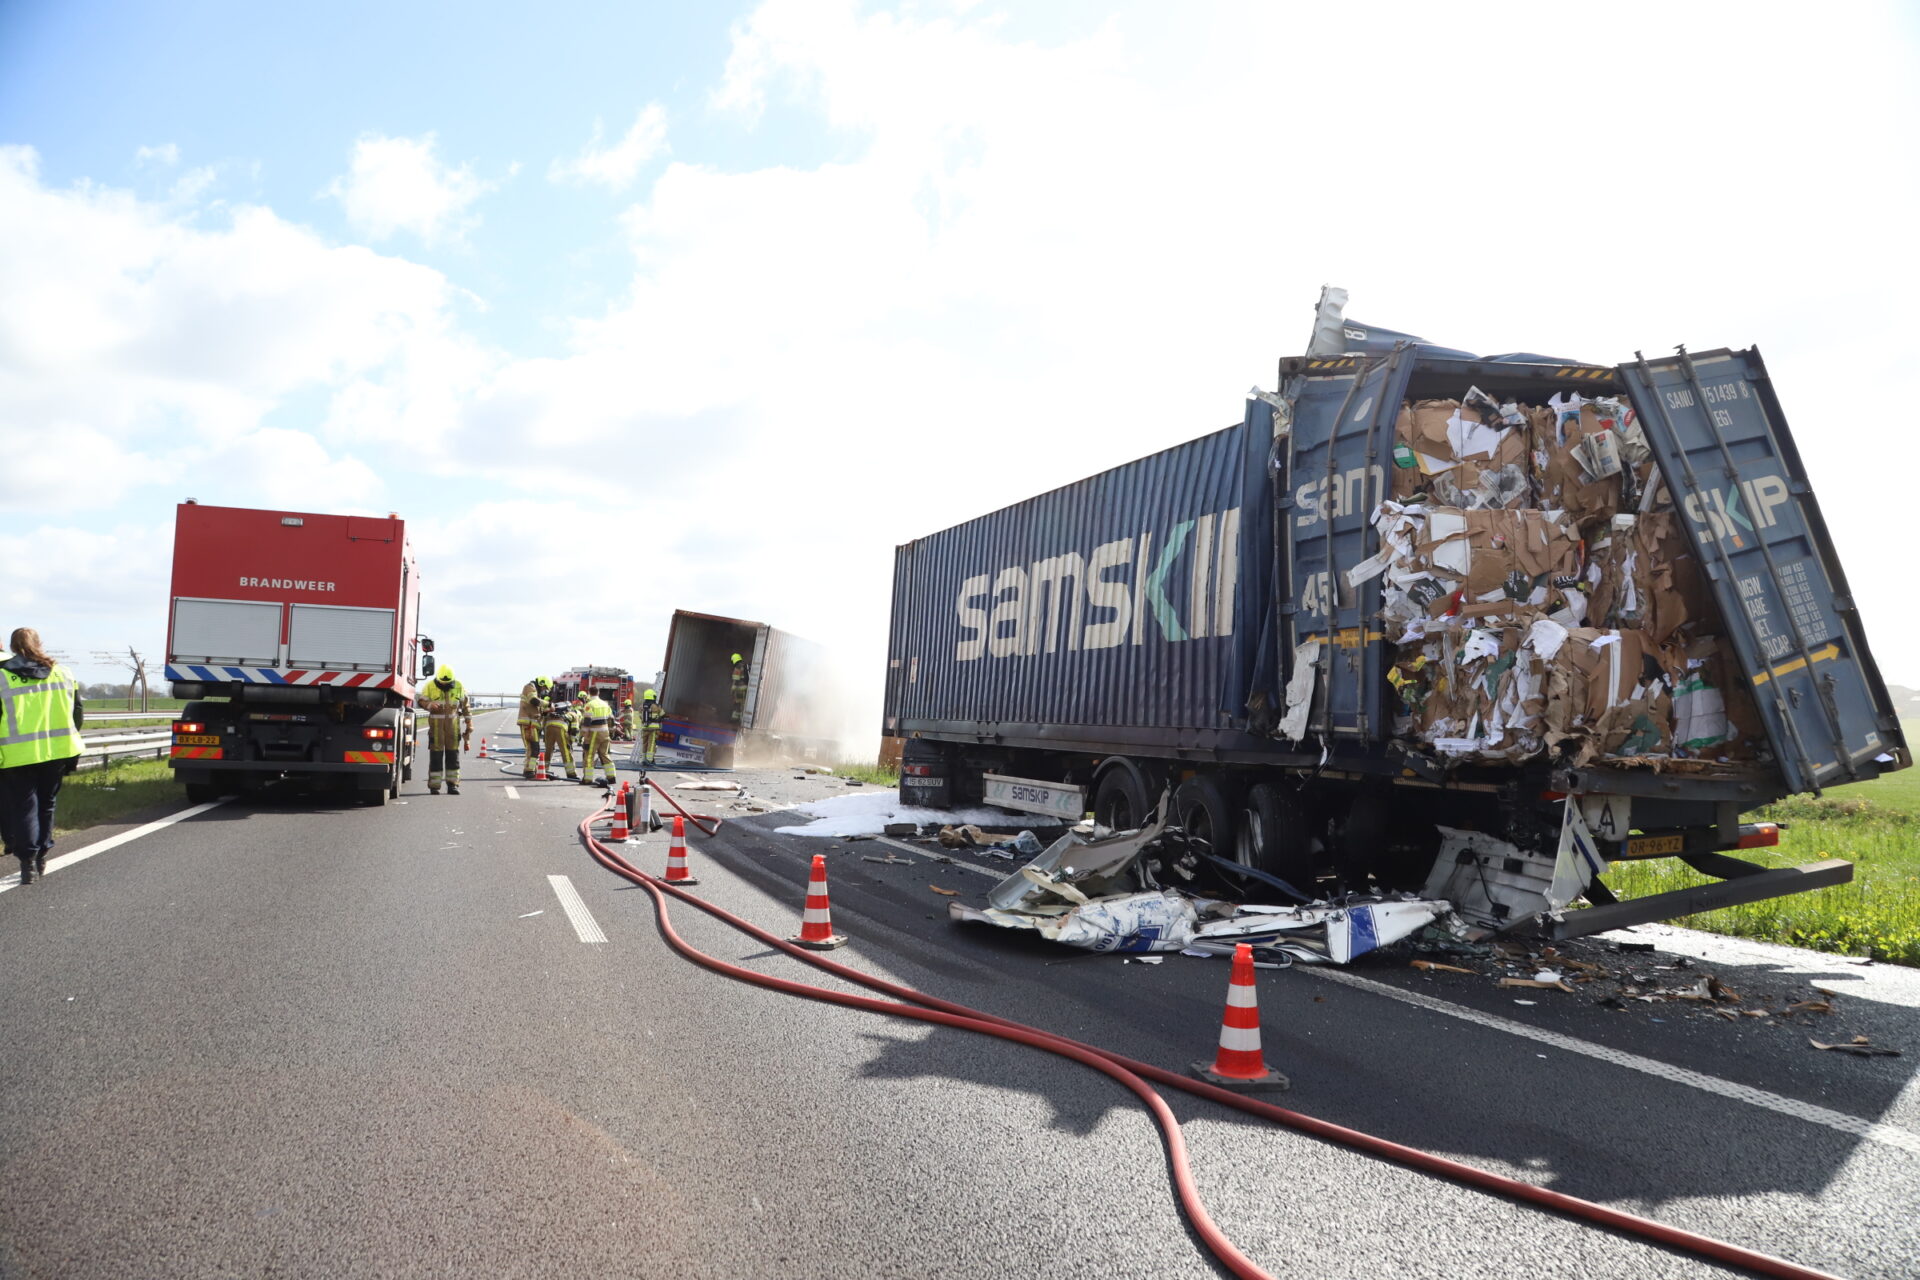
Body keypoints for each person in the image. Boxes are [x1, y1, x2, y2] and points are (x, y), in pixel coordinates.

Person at [1, 627, 84, 886]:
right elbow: (77, 713)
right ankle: (43, 854)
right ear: (40, 644)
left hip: (17, 754)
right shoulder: (63, 673)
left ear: (13, 648)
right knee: (47, 803)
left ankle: (27, 864)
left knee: (24, 807)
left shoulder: (3, 676)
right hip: (57, 752)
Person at [418, 666, 472, 794]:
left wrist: (469, 723)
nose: (444, 684)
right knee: (436, 759)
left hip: (453, 730)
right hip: (436, 731)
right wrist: (429, 704)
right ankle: (434, 787)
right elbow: (421, 700)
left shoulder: (459, 686)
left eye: (447, 683)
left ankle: (453, 785)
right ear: (438, 679)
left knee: (453, 758)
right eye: (442, 682)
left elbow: (466, 707)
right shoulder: (430, 686)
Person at [578, 690, 616, 786]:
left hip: (594, 733)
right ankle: (611, 777)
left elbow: (587, 721)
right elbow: (611, 719)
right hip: (605, 732)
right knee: (604, 754)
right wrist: (611, 731)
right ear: (598, 693)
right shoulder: (605, 704)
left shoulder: (589, 705)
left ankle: (587, 779)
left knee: (589, 755)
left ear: (589, 694)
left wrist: (583, 735)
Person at [517, 676, 551, 779]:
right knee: (532, 748)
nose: (544, 691)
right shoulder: (530, 687)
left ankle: (531, 769)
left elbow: (536, 708)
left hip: (532, 724)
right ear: (541, 683)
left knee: (534, 748)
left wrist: (547, 710)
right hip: (528, 723)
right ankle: (529, 771)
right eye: (544, 688)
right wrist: (548, 704)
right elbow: (533, 701)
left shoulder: (535, 691)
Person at [541, 693, 578, 779]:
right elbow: (574, 729)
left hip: (548, 728)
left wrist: (545, 737)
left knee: (548, 750)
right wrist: (571, 741)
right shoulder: (573, 714)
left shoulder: (552, 712)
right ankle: (571, 773)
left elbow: (544, 722)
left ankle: (544, 770)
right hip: (560, 728)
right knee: (565, 751)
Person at [639, 688, 664, 765]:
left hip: (644, 728)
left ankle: (643, 759)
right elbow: (662, 714)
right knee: (652, 743)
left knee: (644, 744)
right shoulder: (656, 706)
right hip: (653, 729)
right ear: (653, 697)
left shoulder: (641, 706)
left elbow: (640, 716)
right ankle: (649, 760)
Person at [730, 652, 749, 724]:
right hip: (745, 688)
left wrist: (732, 689)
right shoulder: (744, 666)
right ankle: (740, 720)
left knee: (737, 704)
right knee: (743, 704)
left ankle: (736, 721)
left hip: (739, 689)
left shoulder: (737, 667)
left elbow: (735, 679)